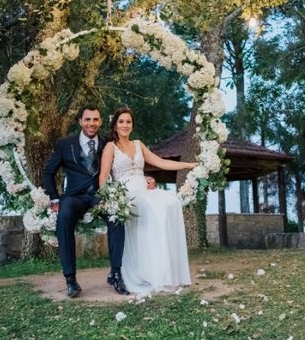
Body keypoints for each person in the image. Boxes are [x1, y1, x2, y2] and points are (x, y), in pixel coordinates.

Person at [42, 105, 156, 298]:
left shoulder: (108, 143)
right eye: (87, 119)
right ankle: (70, 279)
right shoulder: (64, 143)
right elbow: (48, 172)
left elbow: (125, 164)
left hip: (100, 196)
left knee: (116, 215)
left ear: (101, 121)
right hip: (74, 197)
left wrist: (145, 177)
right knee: (64, 216)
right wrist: (54, 198)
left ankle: (116, 273)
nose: (91, 123)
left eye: (95, 119)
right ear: (80, 121)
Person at [99, 106, 197, 296]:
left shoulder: (138, 144)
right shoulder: (110, 147)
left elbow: (160, 162)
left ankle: (159, 271)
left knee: (170, 203)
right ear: (115, 125)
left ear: (132, 125)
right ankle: (137, 273)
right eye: (121, 122)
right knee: (153, 210)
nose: (125, 125)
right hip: (125, 195)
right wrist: (110, 199)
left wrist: (187, 165)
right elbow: (103, 177)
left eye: (128, 122)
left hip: (143, 188)